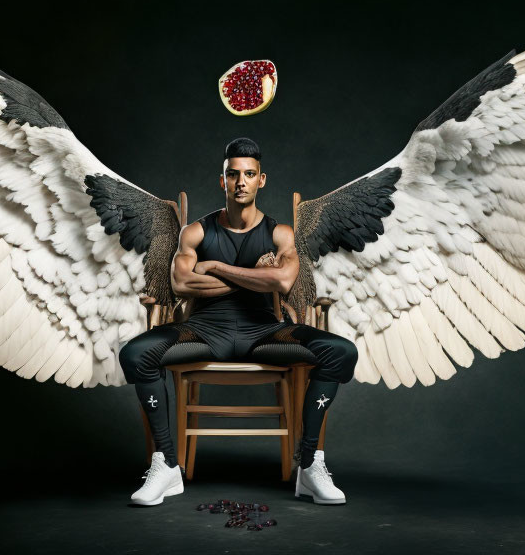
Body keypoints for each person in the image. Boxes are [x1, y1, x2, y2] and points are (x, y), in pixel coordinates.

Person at [118, 137, 358, 506]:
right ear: (222, 181)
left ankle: (310, 465)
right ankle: (165, 465)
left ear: (262, 180)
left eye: (249, 174)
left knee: (341, 351)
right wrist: (251, 275)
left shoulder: (280, 233)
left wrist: (214, 267)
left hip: (266, 333)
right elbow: (181, 284)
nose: (240, 182)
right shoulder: (195, 232)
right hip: (202, 332)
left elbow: (281, 281)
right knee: (135, 354)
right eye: (233, 175)